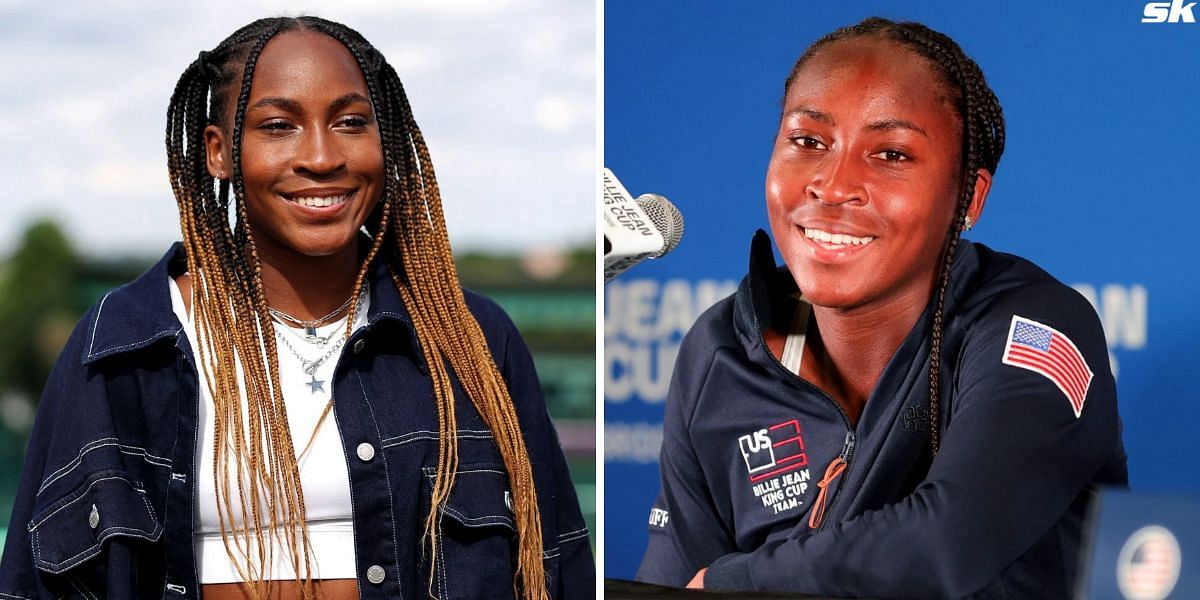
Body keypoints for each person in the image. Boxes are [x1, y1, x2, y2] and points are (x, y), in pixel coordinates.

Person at [0, 16, 592, 600]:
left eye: (351, 122)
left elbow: (557, 564)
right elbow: (34, 582)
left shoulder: (469, 341)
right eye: (279, 126)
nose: (320, 156)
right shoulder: (126, 348)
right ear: (217, 152)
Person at [636, 17, 1126, 599]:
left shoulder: (1034, 326)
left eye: (890, 154)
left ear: (968, 197)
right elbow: (669, 585)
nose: (833, 184)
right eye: (809, 141)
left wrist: (739, 579)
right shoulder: (722, 348)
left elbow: (949, 543)